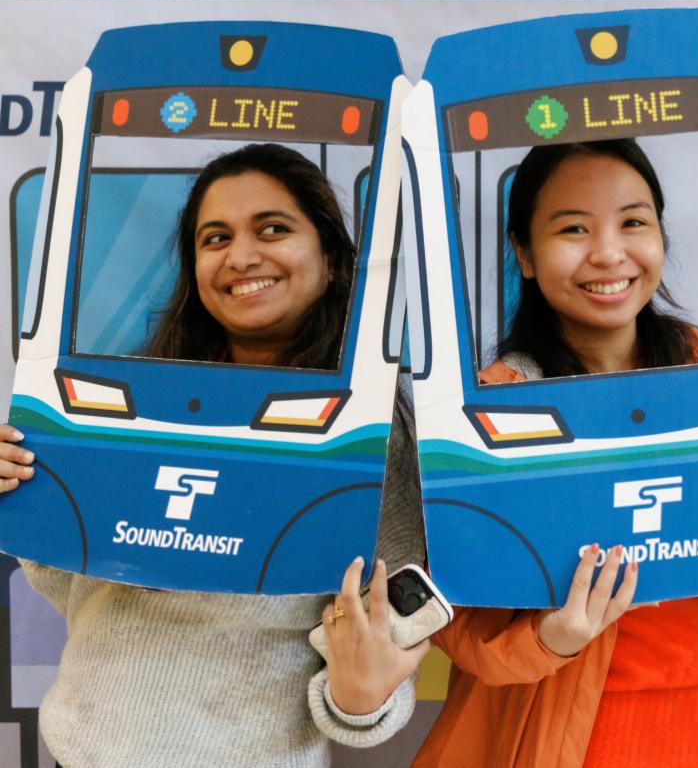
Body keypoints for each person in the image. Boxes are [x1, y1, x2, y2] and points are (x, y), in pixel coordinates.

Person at [0, 143, 428, 767]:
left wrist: (361, 701)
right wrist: (20, 486)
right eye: (215, 238)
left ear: (331, 258)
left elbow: (384, 649)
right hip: (85, 751)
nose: (241, 256)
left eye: (273, 229)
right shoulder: (131, 400)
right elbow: (66, 579)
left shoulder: (374, 432)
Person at [414, 140, 698, 767]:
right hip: (566, 744)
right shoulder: (488, 418)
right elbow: (456, 622)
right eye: (573, 229)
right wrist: (549, 639)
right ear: (523, 252)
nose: (608, 253)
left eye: (633, 222)